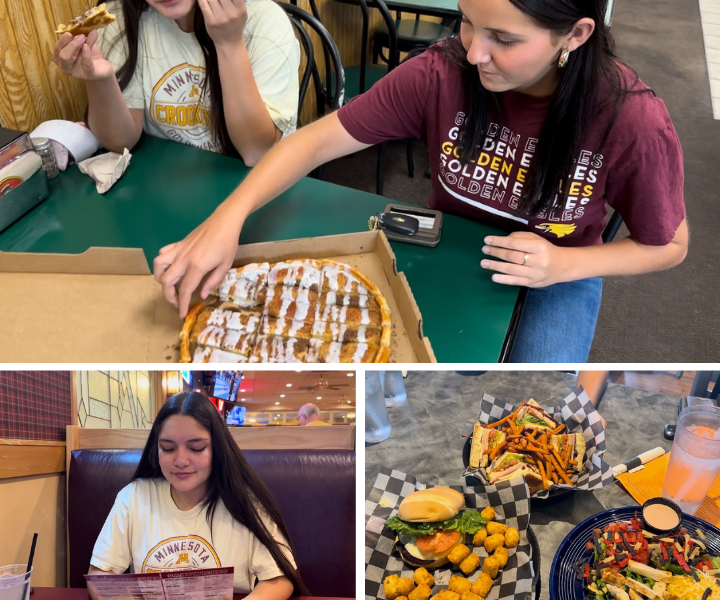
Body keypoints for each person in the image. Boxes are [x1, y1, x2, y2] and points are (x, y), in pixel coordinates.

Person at [152, 0, 688, 362]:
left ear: (575, 34)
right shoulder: (441, 70)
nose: (475, 51)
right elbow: (312, 142)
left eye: (503, 38)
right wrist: (226, 219)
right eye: (468, 21)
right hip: (447, 247)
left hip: (560, 272)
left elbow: (669, 246)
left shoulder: (632, 118)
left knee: (536, 392)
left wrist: (569, 264)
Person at [87, 392, 307, 600]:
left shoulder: (245, 501)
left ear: (218, 449)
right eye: (168, 448)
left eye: (197, 447)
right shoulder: (134, 497)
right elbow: (100, 572)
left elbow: (279, 577)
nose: (181, 460)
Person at [52, 0, 300, 165]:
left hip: (255, 191)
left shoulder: (265, 22)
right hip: (163, 193)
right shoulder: (123, 18)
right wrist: (101, 80)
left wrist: (229, 44)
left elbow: (256, 153)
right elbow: (119, 141)